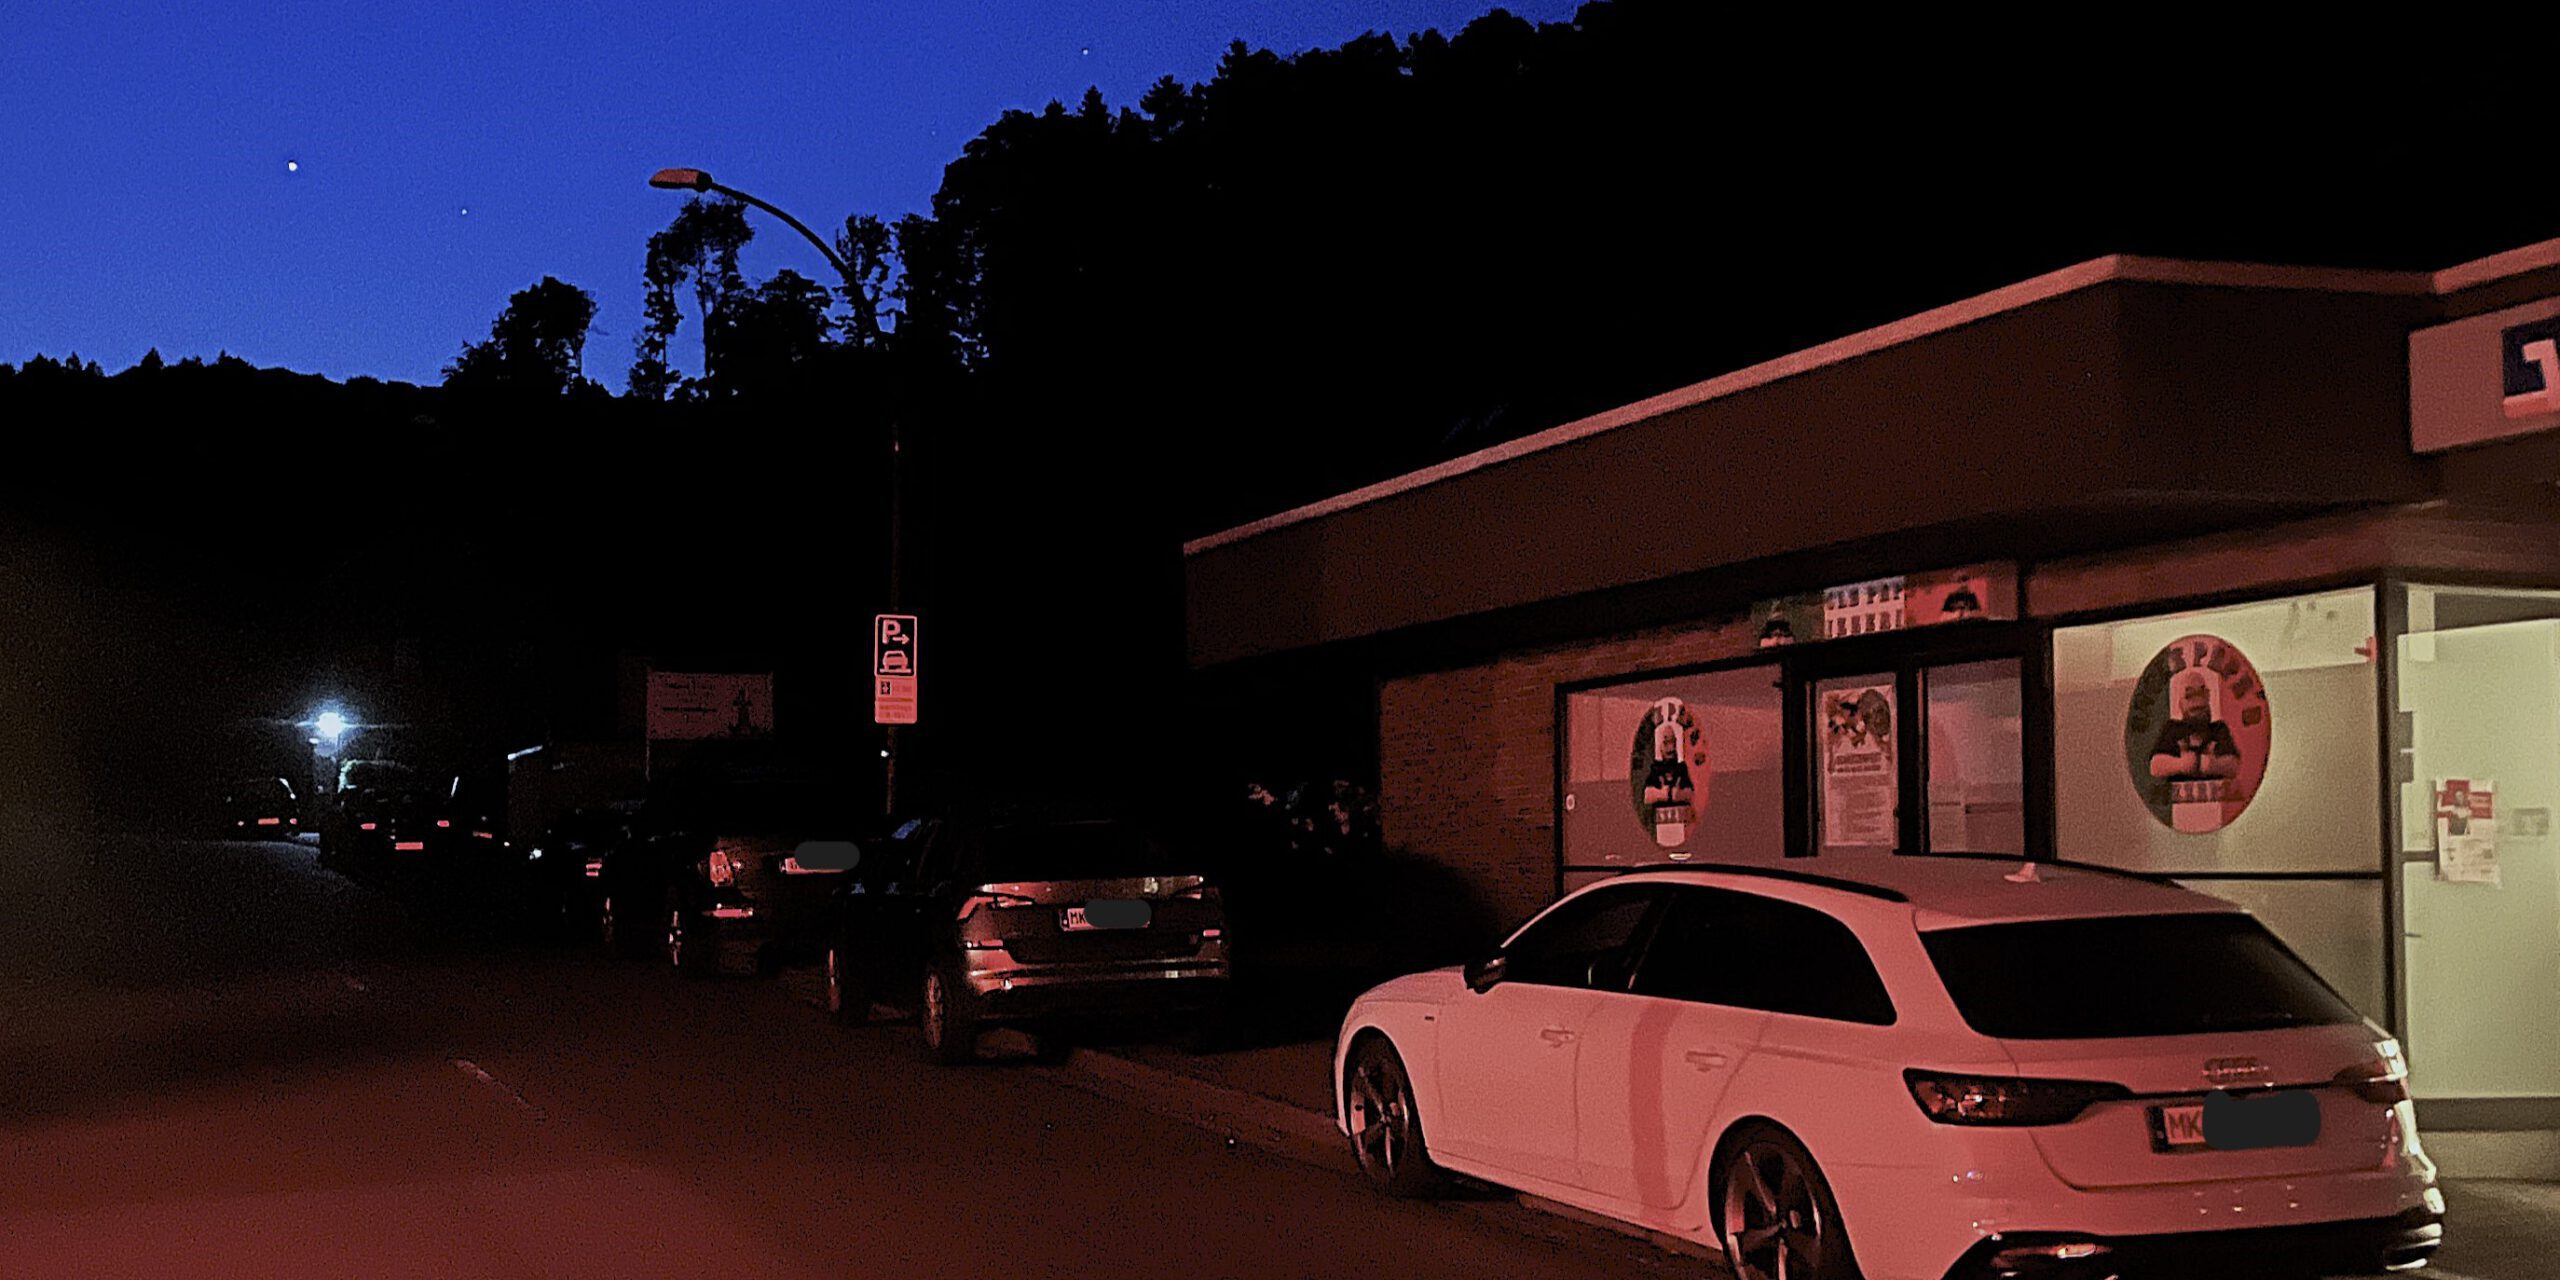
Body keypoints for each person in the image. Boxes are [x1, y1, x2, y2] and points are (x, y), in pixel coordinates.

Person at [2148, 668, 2243, 782]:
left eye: (2201, 693)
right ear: (2181, 703)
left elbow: (2234, 765)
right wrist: (2180, 764)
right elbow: (2155, 766)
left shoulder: (2218, 729)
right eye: (2189, 695)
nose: (2197, 701)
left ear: (2208, 696)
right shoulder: (2172, 728)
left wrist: (2214, 765)